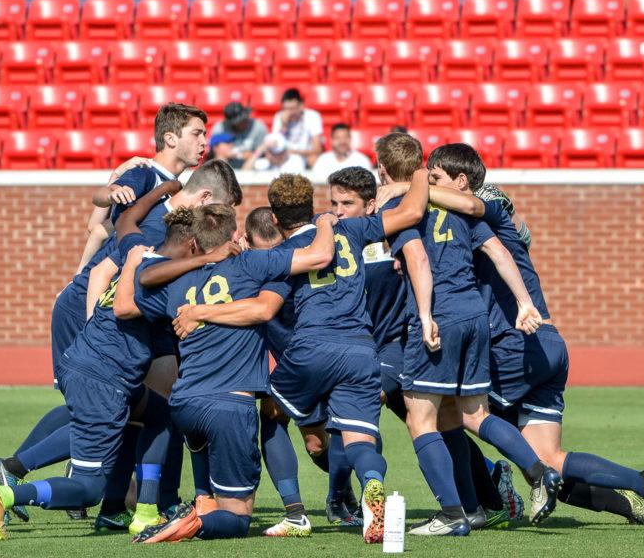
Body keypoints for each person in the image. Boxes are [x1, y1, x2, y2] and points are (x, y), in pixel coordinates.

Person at [382, 147, 644, 533]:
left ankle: (477, 502)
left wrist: (406, 186)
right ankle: (643, 487)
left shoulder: (481, 208)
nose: (430, 184)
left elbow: (475, 208)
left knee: (457, 414)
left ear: (462, 184)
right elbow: (522, 232)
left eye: (436, 178)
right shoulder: (494, 216)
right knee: (550, 457)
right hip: (546, 341)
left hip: (513, 344)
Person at [0, 104, 227, 524]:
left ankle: (124, 501)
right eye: (197, 133)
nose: (204, 141)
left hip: (119, 310)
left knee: (142, 405)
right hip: (96, 309)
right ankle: (52, 481)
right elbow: (103, 213)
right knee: (103, 407)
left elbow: (106, 230)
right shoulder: (145, 173)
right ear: (171, 138)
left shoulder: (168, 193)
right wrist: (109, 191)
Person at [169, 172, 430, 544]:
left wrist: (199, 311)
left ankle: (294, 513)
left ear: (275, 219)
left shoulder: (281, 258)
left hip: (313, 348)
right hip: (360, 350)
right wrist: (417, 174)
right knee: (360, 441)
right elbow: (414, 211)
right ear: (313, 206)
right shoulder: (353, 230)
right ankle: (372, 485)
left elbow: (262, 309)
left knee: (271, 415)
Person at [376, 135, 559, 536]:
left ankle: (452, 514)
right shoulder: (460, 211)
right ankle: (537, 471)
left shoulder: (402, 208)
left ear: (383, 171)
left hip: (439, 315)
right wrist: (526, 304)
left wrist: (423, 314)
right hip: (477, 316)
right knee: (470, 414)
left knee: (418, 420)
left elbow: (419, 259)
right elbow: (500, 252)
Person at [125, 205, 339, 544]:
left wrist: (135, 265)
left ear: (194, 242)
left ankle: (195, 507)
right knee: (237, 519)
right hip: (229, 406)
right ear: (235, 237)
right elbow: (319, 256)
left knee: (211, 494)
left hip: (184, 404)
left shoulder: (175, 280)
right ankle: (191, 522)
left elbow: (130, 298)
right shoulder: (250, 264)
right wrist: (325, 222)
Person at [325, 166, 523, 530]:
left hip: (401, 345)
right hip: (369, 348)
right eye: (333, 203)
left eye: (346, 203)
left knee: (369, 410)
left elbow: (478, 236)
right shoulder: (336, 240)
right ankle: (490, 485)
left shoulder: (400, 231)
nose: (338, 210)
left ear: (374, 200)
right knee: (443, 426)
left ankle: (342, 500)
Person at [271, 88, 324, 168]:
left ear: (301, 105)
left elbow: (317, 149)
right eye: (286, 109)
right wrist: (283, 126)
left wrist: (295, 152)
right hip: (283, 158)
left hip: (305, 156)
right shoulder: (279, 117)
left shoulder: (313, 116)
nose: (289, 112)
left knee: (313, 160)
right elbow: (275, 146)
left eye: (292, 109)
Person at [210, 102, 268, 169]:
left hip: (252, 162)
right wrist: (239, 155)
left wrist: (246, 156)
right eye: (240, 122)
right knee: (220, 159)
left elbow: (261, 152)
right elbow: (218, 151)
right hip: (229, 161)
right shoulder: (220, 128)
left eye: (244, 118)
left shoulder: (258, 127)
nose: (243, 122)